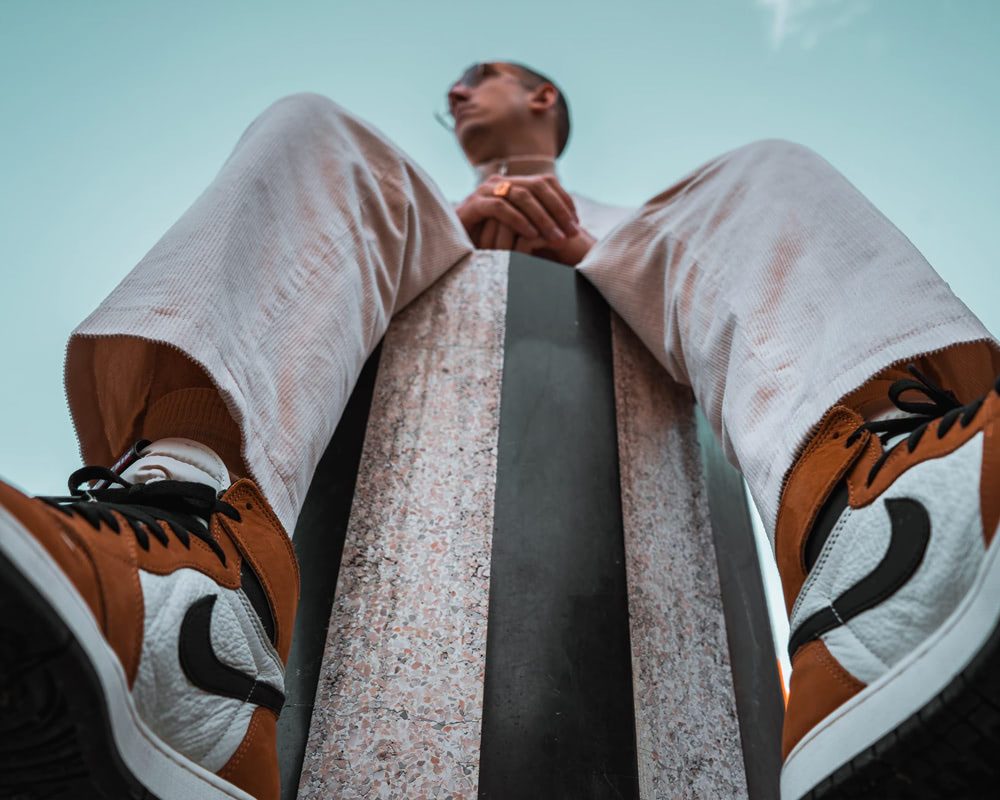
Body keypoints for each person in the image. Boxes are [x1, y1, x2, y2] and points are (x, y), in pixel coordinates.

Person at [0, 59, 997, 800]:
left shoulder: (664, 225)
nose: (458, 92)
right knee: (311, 129)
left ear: (542, 99)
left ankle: (897, 536)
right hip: (379, 319)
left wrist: (593, 257)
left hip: (653, 285)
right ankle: (188, 577)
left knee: (766, 172)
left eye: (481, 78)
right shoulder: (384, 202)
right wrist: (450, 237)